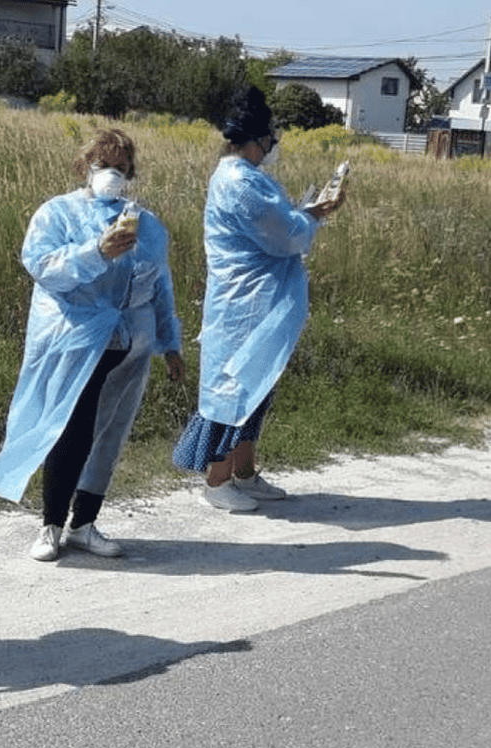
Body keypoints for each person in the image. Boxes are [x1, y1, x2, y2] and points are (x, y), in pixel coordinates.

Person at [0, 128, 184, 561]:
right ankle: (50, 525)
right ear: (84, 167)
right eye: (103, 166)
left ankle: (84, 524)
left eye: (121, 168)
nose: (112, 174)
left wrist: (171, 342)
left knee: (109, 435)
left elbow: (160, 284)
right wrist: (97, 251)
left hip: (130, 344)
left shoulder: (147, 225)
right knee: (70, 431)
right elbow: (44, 267)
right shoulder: (57, 214)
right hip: (75, 340)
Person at [172, 86, 346, 512]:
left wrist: (304, 215)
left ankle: (245, 473)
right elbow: (282, 234)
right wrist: (317, 214)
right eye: (271, 136)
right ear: (254, 138)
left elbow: (281, 224)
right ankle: (217, 480)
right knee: (232, 388)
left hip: (261, 301)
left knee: (259, 386)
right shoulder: (237, 181)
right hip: (242, 303)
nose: (275, 144)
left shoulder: (249, 177)